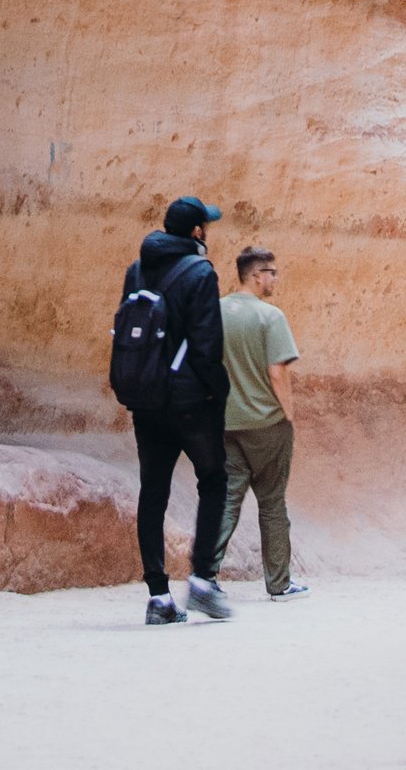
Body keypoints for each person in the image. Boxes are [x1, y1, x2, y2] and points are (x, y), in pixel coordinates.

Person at [113, 195, 236, 623]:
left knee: (153, 491)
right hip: (188, 402)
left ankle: (158, 598)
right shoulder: (200, 272)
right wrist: (220, 392)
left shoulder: (138, 269)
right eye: (208, 226)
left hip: (145, 398)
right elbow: (206, 345)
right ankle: (202, 580)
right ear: (198, 232)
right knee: (215, 479)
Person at [219, 246, 309, 602]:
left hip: (226, 422)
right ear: (256, 275)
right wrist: (288, 413)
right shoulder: (270, 316)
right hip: (267, 423)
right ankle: (279, 583)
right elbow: (278, 371)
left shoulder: (215, 310)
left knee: (226, 501)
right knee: (272, 504)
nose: (274, 279)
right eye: (271, 272)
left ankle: (205, 577)